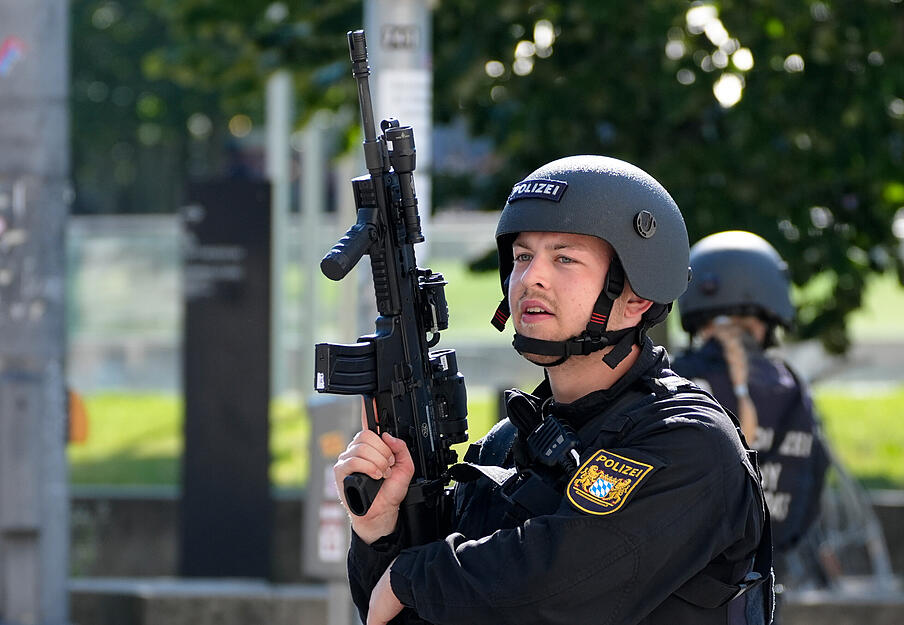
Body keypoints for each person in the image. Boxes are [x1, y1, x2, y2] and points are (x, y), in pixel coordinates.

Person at [333, 156, 773, 625]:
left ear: (637, 297)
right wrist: (381, 533)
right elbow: (403, 614)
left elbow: (555, 586)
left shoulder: (690, 443)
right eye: (523, 257)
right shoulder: (506, 446)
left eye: (564, 258)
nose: (530, 279)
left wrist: (410, 576)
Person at [671, 230, 830, 587]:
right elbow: (813, 483)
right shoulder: (795, 388)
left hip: (681, 587)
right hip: (766, 585)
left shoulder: (673, 379)